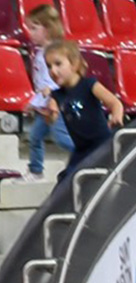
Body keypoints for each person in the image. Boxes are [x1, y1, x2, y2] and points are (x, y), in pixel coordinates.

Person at [44, 40, 122, 181]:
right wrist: (50, 115)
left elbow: (115, 103)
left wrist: (116, 116)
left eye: (58, 64)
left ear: (74, 64)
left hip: (101, 144)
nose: (52, 71)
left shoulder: (89, 85)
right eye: (49, 66)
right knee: (65, 181)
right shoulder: (57, 95)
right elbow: (52, 116)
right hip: (81, 149)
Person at [23, 7, 72, 179]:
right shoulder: (41, 52)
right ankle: (36, 170)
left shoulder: (54, 54)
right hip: (43, 107)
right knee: (35, 137)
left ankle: (87, 153)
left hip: (54, 106)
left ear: (48, 28)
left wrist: (33, 102)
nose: (30, 33)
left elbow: (52, 84)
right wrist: (36, 102)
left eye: (35, 28)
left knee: (61, 139)